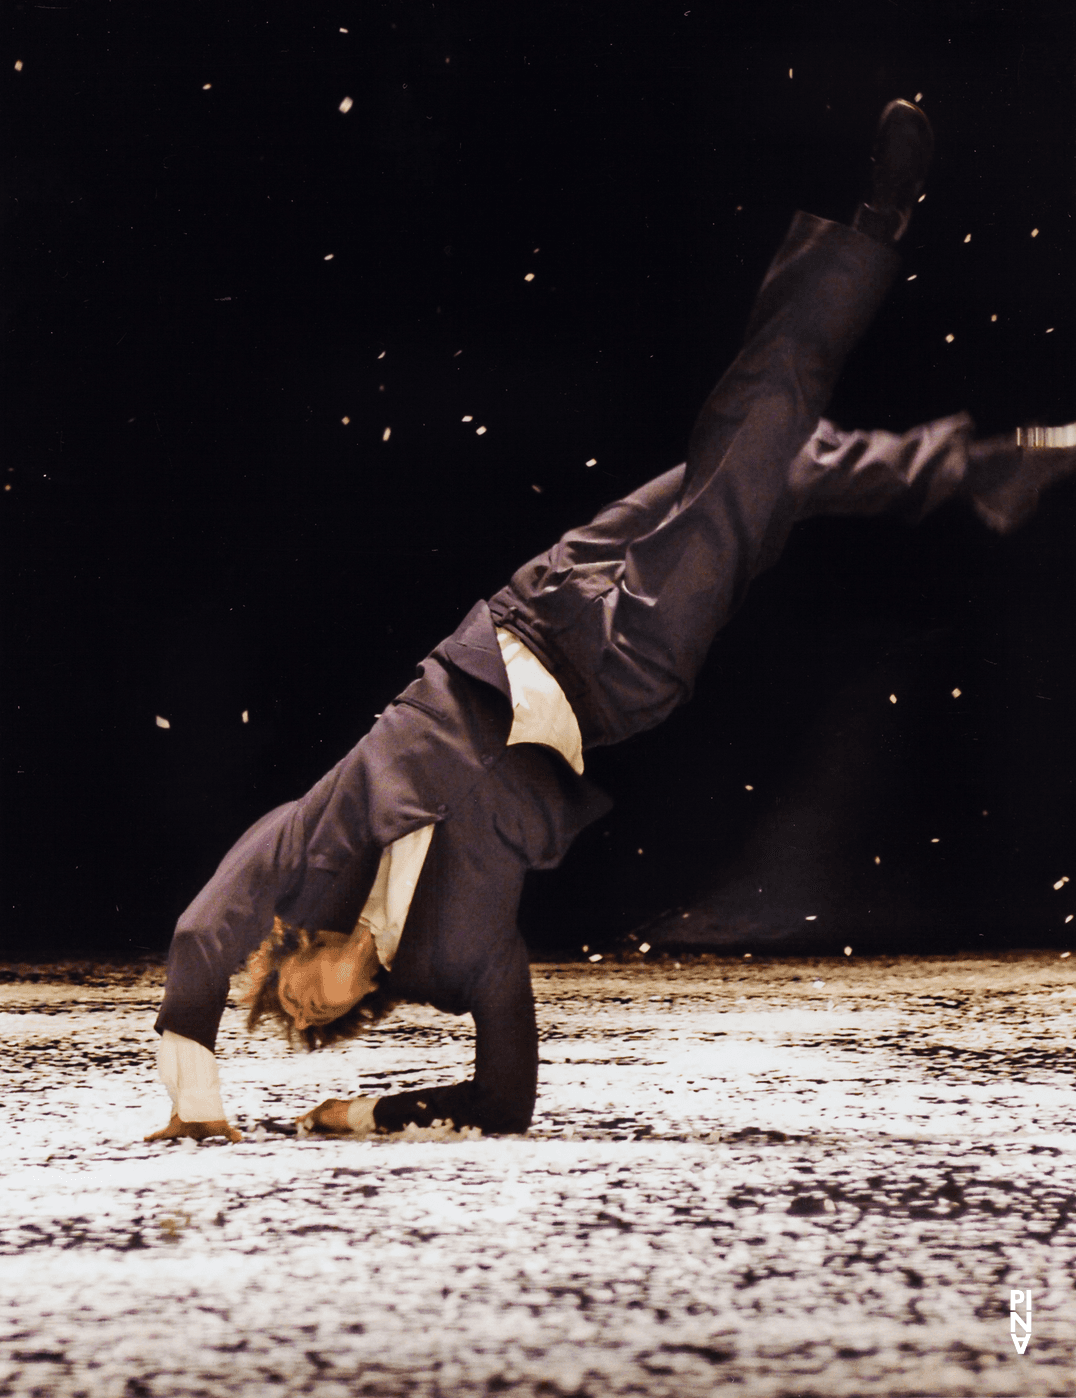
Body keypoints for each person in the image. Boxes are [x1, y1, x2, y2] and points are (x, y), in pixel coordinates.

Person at [145, 101, 1075, 1145]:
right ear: (360, 1006)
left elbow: (195, 936)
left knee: (768, 471)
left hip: (532, 600)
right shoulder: (458, 964)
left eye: (287, 993)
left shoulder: (308, 847)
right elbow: (506, 1101)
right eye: (318, 1019)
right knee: (753, 432)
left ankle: (979, 471)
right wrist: (367, 1111)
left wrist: (195, 1102)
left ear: (283, 956)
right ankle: (874, 221)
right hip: (616, 661)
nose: (308, 1000)